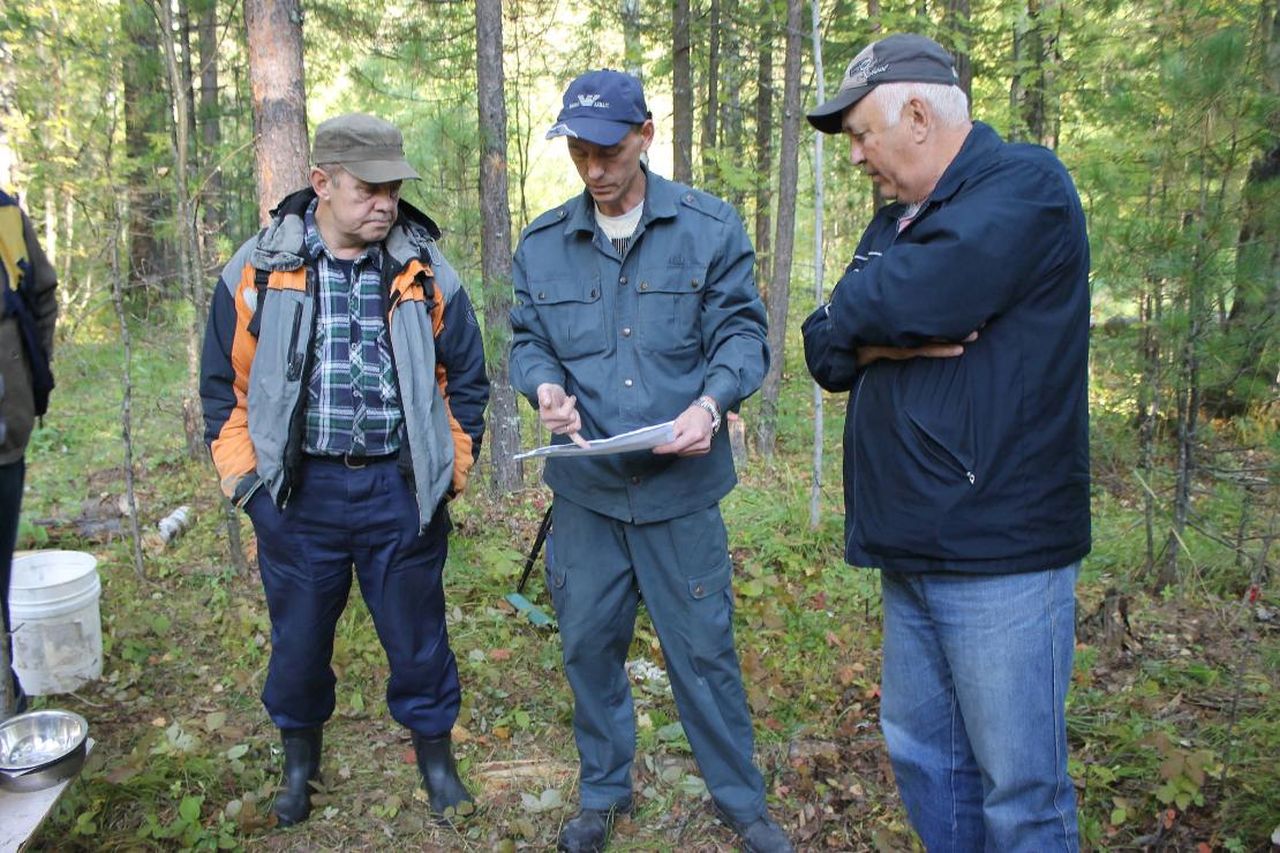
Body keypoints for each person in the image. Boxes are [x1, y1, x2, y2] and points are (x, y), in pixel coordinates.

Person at [802, 33, 1089, 851]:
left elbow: (916, 296)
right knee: (927, 761)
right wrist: (870, 330)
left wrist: (869, 316)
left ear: (918, 114)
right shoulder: (895, 218)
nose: (856, 156)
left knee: (1020, 791)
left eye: (861, 134)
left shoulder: (1026, 185)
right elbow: (823, 346)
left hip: (1002, 556)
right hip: (910, 549)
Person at [510, 70, 791, 853]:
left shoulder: (708, 228)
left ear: (646, 135)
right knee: (588, 644)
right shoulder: (544, 243)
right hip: (588, 495)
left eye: (607, 149)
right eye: (577, 151)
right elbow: (526, 338)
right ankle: (603, 791)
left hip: (680, 491)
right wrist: (544, 387)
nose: (593, 168)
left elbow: (743, 335)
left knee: (703, 651)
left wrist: (711, 403)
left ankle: (741, 802)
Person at [199, 113, 489, 826]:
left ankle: (438, 765)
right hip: (299, 493)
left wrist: (444, 472)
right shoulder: (259, 269)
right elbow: (222, 392)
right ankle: (300, 768)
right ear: (321, 183)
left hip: (398, 488)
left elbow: (468, 381)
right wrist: (254, 491)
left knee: (420, 638)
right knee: (298, 642)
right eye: (368, 188)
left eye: (393, 188)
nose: (385, 203)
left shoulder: (427, 271)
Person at [0, 188, 58, 718]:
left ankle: (6, 701)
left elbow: (41, 295)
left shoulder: (5, 215)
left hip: (5, 433)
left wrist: (27, 377)